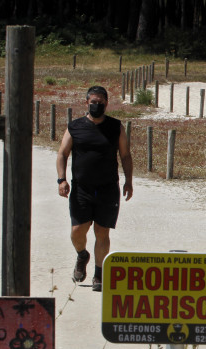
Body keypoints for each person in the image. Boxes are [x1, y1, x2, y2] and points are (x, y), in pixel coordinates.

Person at [56, 86, 133, 292]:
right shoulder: (75, 127)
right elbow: (63, 153)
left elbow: (125, 155)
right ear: (86, 102)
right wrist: (61, 180)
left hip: (108, 188)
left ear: (107, 103)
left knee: (102, 232)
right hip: (82, 188)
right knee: (77, 231)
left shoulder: (116, 127)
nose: (96, 105)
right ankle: (82, 255)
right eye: (93, 102)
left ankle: (99, 274)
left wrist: (129, 181)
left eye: (100, 102)